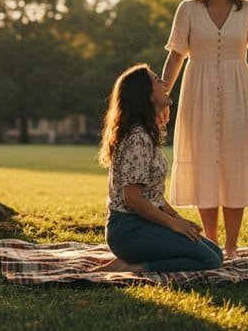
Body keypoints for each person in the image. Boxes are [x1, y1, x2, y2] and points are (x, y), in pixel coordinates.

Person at [160, 0, 248, 259]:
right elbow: (176, 55)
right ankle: (212, 241)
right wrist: (162, 96)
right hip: (196, 90)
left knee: (235, 165)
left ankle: (232, 245)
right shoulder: (187, 9)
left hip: (238, 90)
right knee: (204, 164)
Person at [95, 64, 223, 273]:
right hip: (129, 230)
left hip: (142, 223)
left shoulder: (146, 135)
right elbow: (133, 198)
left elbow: (152, 195)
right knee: (209, 261)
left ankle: (133, 262)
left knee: (215, 253)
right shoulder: (138, 139)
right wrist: (172, 225)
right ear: (146, 94)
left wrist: (178, 219)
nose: (164, 83)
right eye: (157, 80)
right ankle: (132, 267)